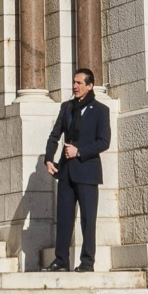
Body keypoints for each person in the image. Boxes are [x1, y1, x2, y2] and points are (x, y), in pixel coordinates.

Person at [42, 65, 110, 271]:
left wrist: (79, 151)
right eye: (74, 82)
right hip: (66, 172)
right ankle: (61, 260)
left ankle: (87, 262)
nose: (75, 86)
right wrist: (48, 159)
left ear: (90, 86)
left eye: (79, 83)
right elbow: (55, 135)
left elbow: (103, 142)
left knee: (88, 220)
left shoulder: (101, 111)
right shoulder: (66, 107)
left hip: (88, 172)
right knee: (64, 218)